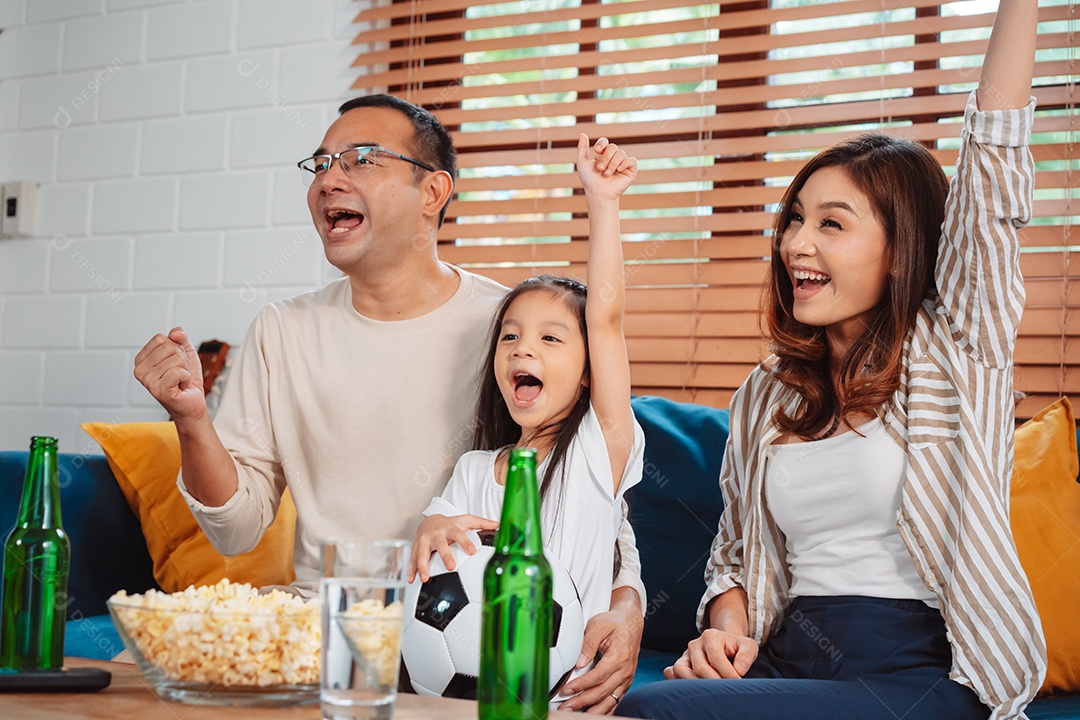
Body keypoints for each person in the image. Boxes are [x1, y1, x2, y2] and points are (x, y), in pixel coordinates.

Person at [132, 95, 644, 712]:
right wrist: (192, 419)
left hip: (484, 637)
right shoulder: (282, 331)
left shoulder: (513, 325)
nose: (330, 179)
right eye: (320, 164)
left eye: (362, 159)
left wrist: (627, 603)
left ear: (433, 193)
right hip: (335, 622)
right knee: (138, 671)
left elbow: (596, 498)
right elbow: (237, 529)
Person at [616, 1, 1046, 719]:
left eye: (831, 225)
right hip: (790, 657)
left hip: (923, 672)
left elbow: (993, 170)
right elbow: (734, 554)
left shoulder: (959, 348)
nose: (795, 244)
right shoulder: (766, 393)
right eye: (795, 219)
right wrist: (727, 634)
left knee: (653, 714)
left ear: (902, 249)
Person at [410, 135, 642, 697]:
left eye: (550, 338)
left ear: (589, 372)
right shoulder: (473, 469)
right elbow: (430, 543)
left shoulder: (599, 448)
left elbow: (606, 319)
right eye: (509, 336)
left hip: (565, 694)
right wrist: (432, 526)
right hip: (463, 686)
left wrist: (603, 201)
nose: (522, 349)